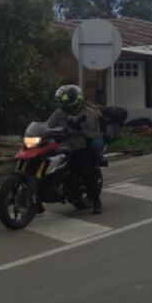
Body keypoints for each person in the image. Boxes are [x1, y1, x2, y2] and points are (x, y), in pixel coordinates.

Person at [47, 84, 104, 214]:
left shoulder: (88, 112)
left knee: (85, 169)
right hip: (61, 146)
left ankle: (96, 201)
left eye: (68, 102)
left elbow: (92, 133)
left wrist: (78, 128)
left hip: (80, 145)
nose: (66, 105)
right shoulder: (59, 112)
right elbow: (48, 125)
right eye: (63, 102)